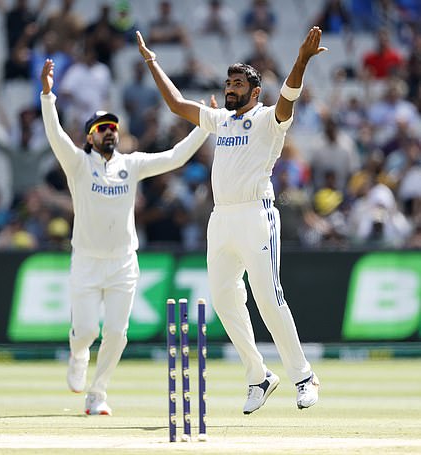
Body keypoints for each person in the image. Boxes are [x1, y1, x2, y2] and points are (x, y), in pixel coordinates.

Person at [137, 26, 326, 414]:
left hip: (256, 214)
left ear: (255, 92)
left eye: (238, 84)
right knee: (224, 301)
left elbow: (288, 96)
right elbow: (176, 104)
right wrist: (152, 62)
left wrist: (301, 60)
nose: (230, 88)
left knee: (269, 300)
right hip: (220, 218)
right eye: (228, 82)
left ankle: (304, 376)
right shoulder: (220, 120)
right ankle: (258, 375)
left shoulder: (268, 120)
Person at [39, 58, 209, 415]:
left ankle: (97, 394)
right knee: (85, 331)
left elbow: (176, 157)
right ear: (90, 137)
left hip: (123, 263)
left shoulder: (130, 165)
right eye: (102, 128)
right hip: (86, 260)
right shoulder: (78, 164)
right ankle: (78, 353)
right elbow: (54, 135)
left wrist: (204, 127)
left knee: (117, 334)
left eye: (113, 127)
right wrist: (48, 95)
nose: (110, 132)